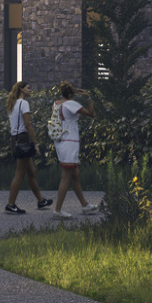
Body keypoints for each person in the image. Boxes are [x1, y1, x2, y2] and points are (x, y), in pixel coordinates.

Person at [48, 82, 97, 218]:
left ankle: (85, 205)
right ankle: (57, 210)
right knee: (66, 176)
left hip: (61, 142)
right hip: (70, 142)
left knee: (75, 174)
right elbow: (91, 114)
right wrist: (88, 98)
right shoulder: (71, 104)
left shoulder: (56, 104)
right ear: (71, 94)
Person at [3, 80, 50, 215]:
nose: (30, 90)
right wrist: (35, 143)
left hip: (15, 139)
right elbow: (28, 125)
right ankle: (10, 205)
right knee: (19, 174)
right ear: (22, 90)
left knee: (31, 171)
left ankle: (41, 201)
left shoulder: (12, 104)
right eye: (28, 88)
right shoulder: (24, 103)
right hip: (23, 139)